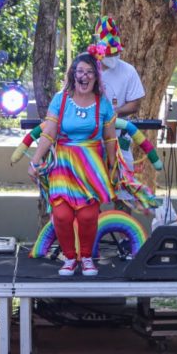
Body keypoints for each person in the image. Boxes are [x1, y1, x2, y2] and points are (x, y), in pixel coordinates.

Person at [28, 52, 117, 277]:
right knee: (61, 215)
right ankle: (69, 258)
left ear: (96, 77)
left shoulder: (103, 104)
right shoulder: (61, 99)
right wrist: (35, 160)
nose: (84, 76)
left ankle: (86, 257)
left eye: (89, 72)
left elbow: (109, 139)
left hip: (91, 168)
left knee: (88, 216)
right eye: (80, 72)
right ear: (73, 75)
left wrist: (114, 169)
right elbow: (48, 133)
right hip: (63, 166)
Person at [93, 16, 145, 170]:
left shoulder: (128, 71)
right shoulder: (87, 69)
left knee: (122, 180)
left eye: (114, 54)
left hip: (118, 135)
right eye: (108, 55)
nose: (112, 58)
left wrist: (113, 113)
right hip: (89, 137)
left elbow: (135, 104)